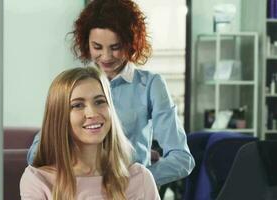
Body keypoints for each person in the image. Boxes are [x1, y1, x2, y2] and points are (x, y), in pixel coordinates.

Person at [28, 0, 195, 188]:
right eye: (97, 47)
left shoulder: (150, 85)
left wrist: (137, 180)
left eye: (115, 47)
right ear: (86, 44)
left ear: (131, 43)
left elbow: (182, 159)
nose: (106, 57)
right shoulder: (71, 85)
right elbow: (36, 154)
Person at [20, 67, 160, 200]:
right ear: (59, 116)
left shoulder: (140, 178)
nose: (92, 113)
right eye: (78, 105)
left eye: (99, 102)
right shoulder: (38, 180)